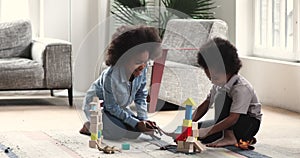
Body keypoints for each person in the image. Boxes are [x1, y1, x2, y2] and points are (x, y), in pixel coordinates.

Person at [79, 25, 162, 140]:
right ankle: (90, 126)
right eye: (138, 62)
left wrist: (143, 120)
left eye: (146, 61)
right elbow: (111, 107)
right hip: (100, 108)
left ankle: (113, 126)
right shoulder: (110, 77)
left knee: (135, 132)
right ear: (123, 59)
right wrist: (136, 123)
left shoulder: (143, 69)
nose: (142, 66)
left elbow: (140, 95)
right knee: (116, 133)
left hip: (118, 107)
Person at [192, 37, 262, 148]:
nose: (212, 81)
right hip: (227, 122)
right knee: (197, 132)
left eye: (215, 77)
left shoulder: (241, 88)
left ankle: (231, 137)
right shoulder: (218, 84)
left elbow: (233, 118)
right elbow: (206, 103)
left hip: (247, 123)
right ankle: (238, 137)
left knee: (221, 96)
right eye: (210, 78)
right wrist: (189, 122)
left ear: (227, 69)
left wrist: (209, 131)